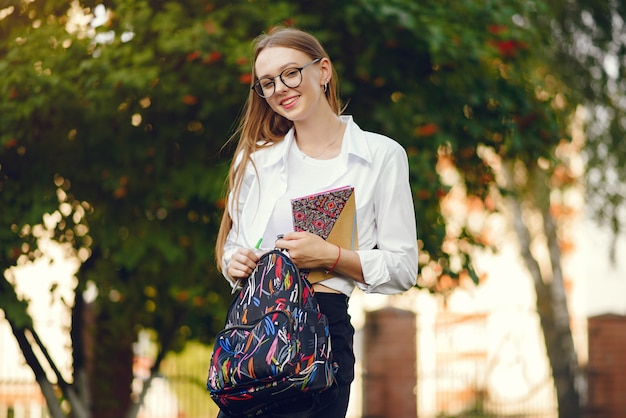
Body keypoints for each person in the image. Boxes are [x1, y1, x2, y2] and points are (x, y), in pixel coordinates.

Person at [214, 26, 418, 418]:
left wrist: (332, 255)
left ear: (323, 70)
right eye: (267, 83)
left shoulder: (380, 155)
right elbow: (234, 246)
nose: (280, 89)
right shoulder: (255, 161)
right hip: (254, 332)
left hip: (322, 332)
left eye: (290, 73)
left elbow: (403, 268)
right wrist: (232, 261)